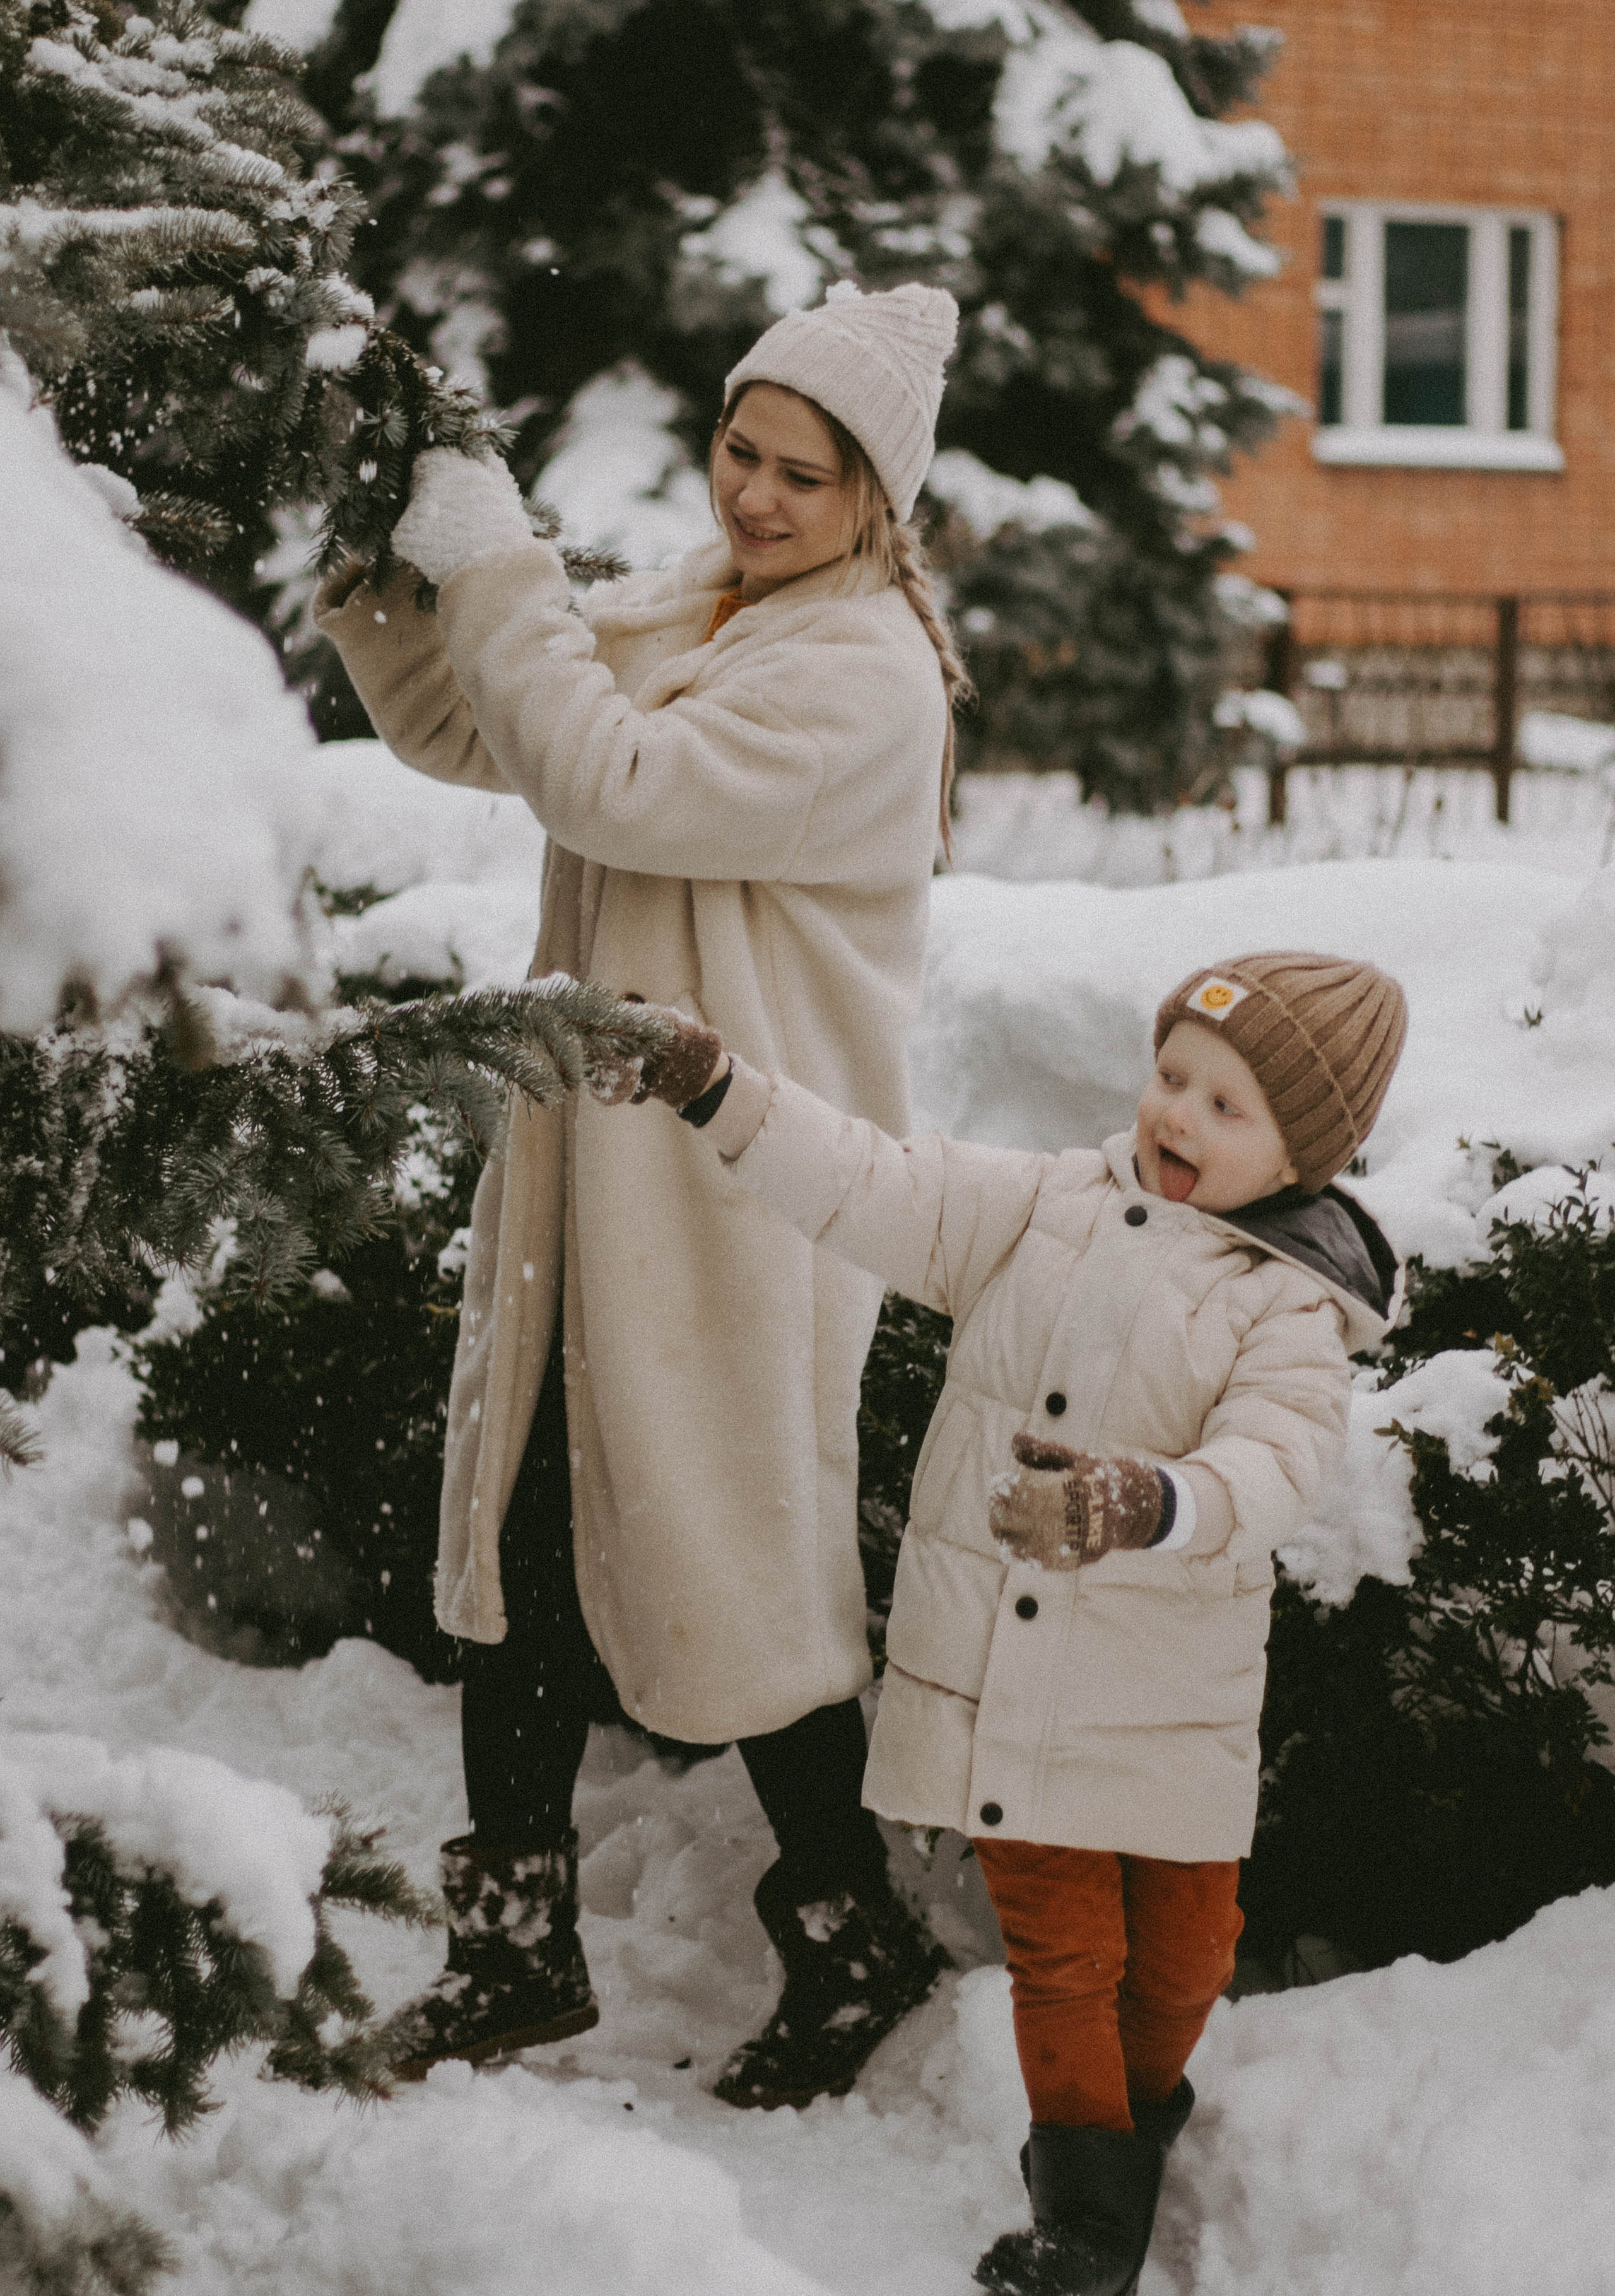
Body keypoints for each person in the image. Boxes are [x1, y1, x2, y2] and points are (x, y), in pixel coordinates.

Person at [311, 281, 970, 2102]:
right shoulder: (713, 602)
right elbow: (481, 728)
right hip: (596, 1171)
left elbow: (605, 781)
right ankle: (516, 1950)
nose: (753, 496)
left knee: (736, 1570)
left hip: (736, 1188)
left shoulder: (861, 676)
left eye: (802, 477)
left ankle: (853, 1937)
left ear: (875, 506)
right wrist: (390, 561)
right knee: (523, 1547)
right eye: (741, 451)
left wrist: (501, 562)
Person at [611, 951, 1406, 2294]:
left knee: (1182, 1960)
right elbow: (872, 1183)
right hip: (1011, 1671)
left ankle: (1120, 2129)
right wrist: (719, 1092)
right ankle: (1086, 2220)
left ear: (1303, 1154)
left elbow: (1273, 1465)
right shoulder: (1045, 1205)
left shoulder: (1289, 1307)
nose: (1176, 1118)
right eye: (1171, 1079)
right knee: (1065, 1951)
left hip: (1170, 1691)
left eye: (1228, 1108)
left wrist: (1142, 1501)